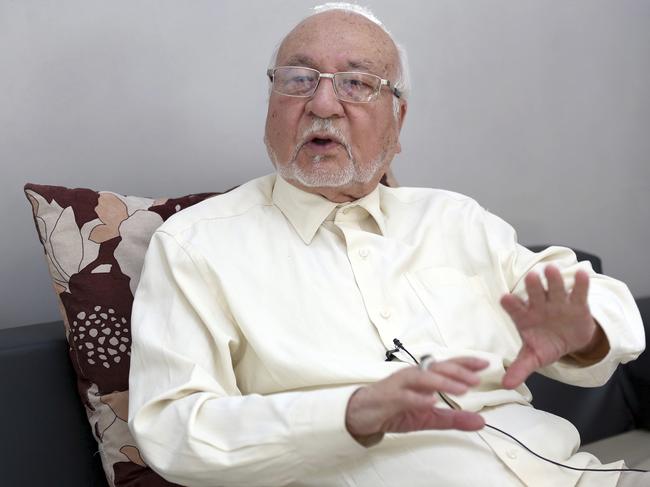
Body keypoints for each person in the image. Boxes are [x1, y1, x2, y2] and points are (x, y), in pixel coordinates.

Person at [128, 4, 645, 486]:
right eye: (299, 79)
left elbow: (590, 298)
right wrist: (349, 413)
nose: (323, 104)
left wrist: (585, 333)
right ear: (271, 104)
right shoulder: (198, 243)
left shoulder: (452, 218)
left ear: (398, 121)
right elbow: (172, 428)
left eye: (356, 84)